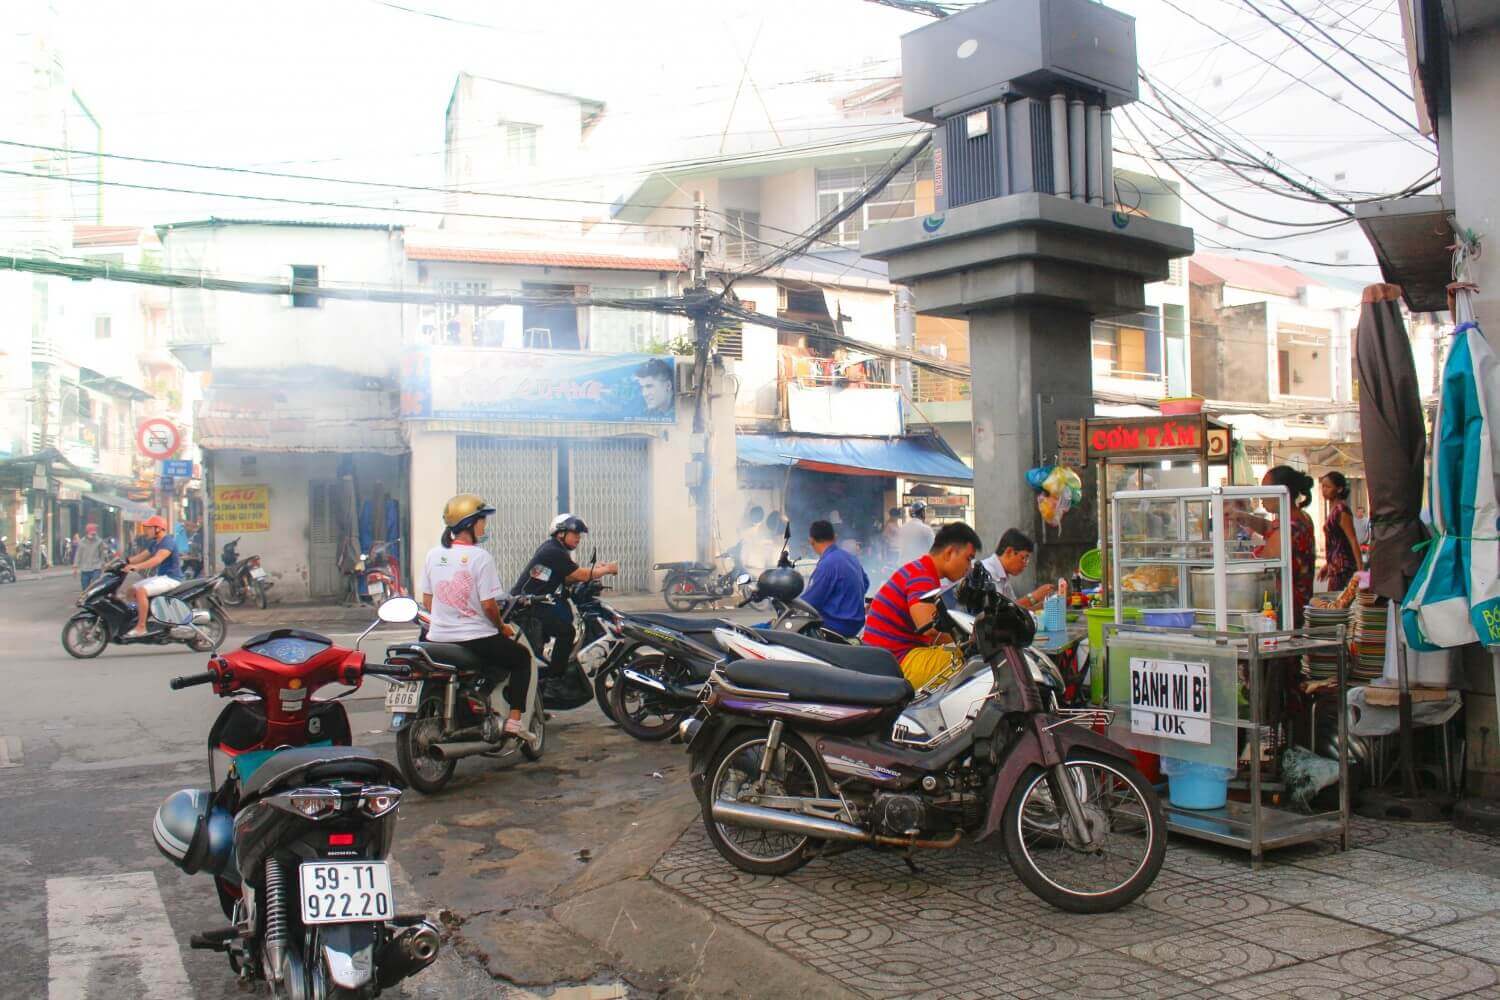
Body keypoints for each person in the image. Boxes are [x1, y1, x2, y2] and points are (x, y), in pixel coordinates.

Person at [420, 494, 537, 745]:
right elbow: (488, 606)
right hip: (474, 638)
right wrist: (501, 626)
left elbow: (428, 600)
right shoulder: (480, 557)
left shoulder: (433, 555)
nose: (485, 526)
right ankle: (515, 721)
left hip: (436, 636)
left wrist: (447, 618)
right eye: (482, 521)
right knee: (520, 658)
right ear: (469, 524)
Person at [865, 521, 983, 688]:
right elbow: (929, 626)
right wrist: (971, 640)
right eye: (968, 559)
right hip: (895, 662)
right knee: (972, 661)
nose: (969, 568)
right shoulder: (921, 576)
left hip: (892, 657)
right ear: (949, 552)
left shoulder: (921, 571)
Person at [514, 514, 619, 681]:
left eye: (580, 535)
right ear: (560, 533)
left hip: (532, 603)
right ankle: (556, 678)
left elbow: (568, 576)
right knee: (566, 632)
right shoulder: (553, 551)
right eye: (575, 533)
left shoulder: (554, 549)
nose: (578, 538)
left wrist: (595, 571)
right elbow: (580, 574)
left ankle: (552, 672)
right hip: (527, 607)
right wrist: (606, 569)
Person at [1229, 466, 1317, 626]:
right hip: (1298, 603)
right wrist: (1245, 518)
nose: (1261, 496)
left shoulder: (1288, 528)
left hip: (1285, 607)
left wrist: (1236, 560)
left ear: (1282, 492)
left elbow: (1264, 565)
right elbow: (1269, 528)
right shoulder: (1301, 517)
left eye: (1266, 489)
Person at [800, 520, 869, 638]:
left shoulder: (828, 563)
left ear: (811, 541)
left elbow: (811, 601)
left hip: (834, 626)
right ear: (835, 537)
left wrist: (795, 604)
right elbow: (866, 583)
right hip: (856, 625)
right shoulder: (851, 558)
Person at [123, 515, 182, 637]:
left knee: (141, 591)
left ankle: (141, 627)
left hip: (171, 578)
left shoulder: (167, 542)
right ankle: (141, 615)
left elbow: (157, 559)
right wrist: (123, 562)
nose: (146, 531)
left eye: (149, 528)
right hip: (160, 577)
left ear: (158, 529)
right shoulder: (155, 543)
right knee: (130, 590)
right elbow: (140, 557)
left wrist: (137, 567)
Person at [979, 528, 1055, 611]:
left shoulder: (1003, 575)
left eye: (1027, 559)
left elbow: (1015, 610)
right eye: (1023, 558)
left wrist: (1045, 604)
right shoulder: (987, 571)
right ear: (1009, 551)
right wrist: (1034, 597)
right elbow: (1000, 612)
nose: (1025, 564)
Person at [1319, 471, 1362, 592]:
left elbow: (1352, 539)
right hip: (1335, 566)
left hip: (1343, 567)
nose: (1324, 490)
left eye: (1328, 487)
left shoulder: (1341, 510)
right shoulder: (1332, 510)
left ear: (1339, 489)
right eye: (1323, 486)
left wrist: (1360, 570)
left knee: (1337, 604)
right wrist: (1328, 565)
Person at [73, 523, 105, 592]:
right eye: (92, 534)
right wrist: (75, 567)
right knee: (85, 590)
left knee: (95, 588)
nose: (93, 535)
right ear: (87, 532)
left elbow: (102, 554)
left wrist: (103, 565)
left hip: (96, 568)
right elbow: (78, 554)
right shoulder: (82, 542)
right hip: (85, 569)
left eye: (94, 533)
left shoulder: (99, 541)